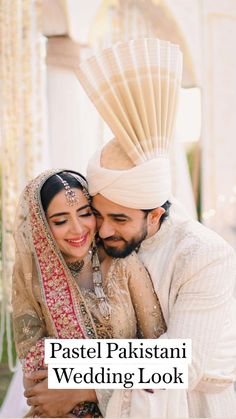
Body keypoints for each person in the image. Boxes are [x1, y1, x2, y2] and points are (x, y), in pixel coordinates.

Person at [75, 38, 236, 418]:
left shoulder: (203, 254)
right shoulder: (98, 243)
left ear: (154, 215)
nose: (104, 229)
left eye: (120, 219)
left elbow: (182, 365)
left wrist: (75, 379)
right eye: (98, 214)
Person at [12, 169, 166, 418]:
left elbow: (163, 358)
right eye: (61, 220)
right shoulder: (32, 277)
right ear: (41, 226)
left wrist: (80, 385)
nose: (78, 229)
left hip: (128, 409)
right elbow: (35, 377)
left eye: (86, 214)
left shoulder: (122, 263)